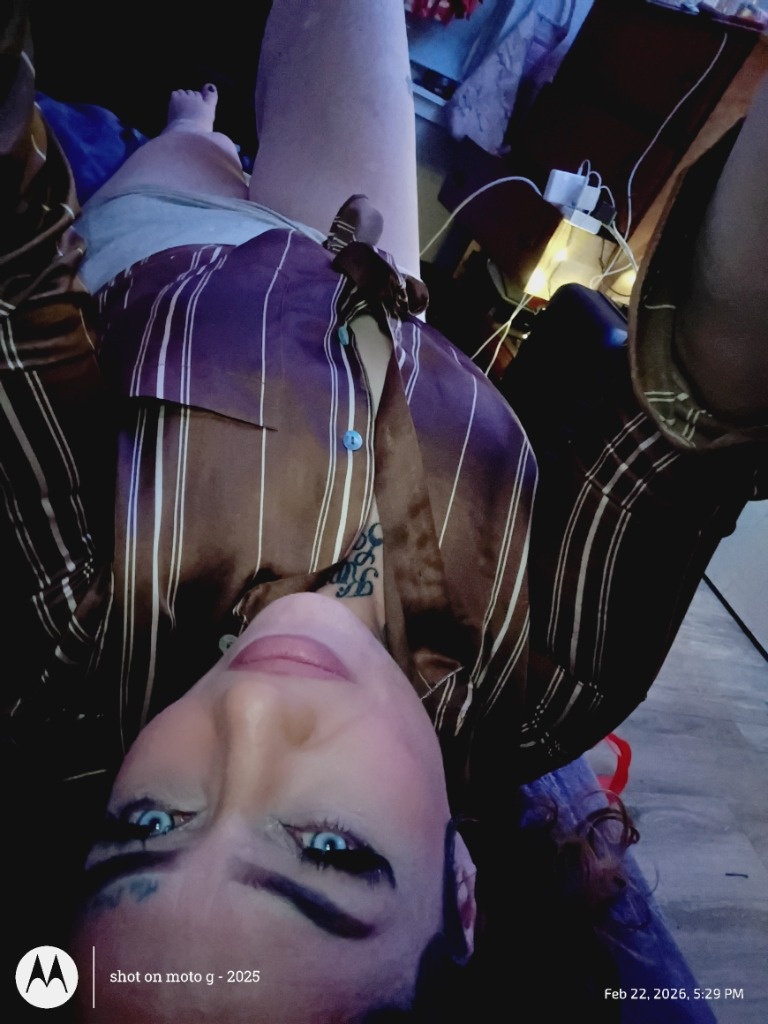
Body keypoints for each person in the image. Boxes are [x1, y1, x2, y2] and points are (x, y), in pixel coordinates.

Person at [2, 1, 766, 1020]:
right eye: (329, 849)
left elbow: (16, 287)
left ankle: (193, 131)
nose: (248, 715)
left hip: (167, 243)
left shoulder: (73, 644)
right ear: (462, 891)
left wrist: (175, 151)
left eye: (146, 824)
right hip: (364, 276)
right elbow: (705, 397)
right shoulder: (547, 678)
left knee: (192, 138)